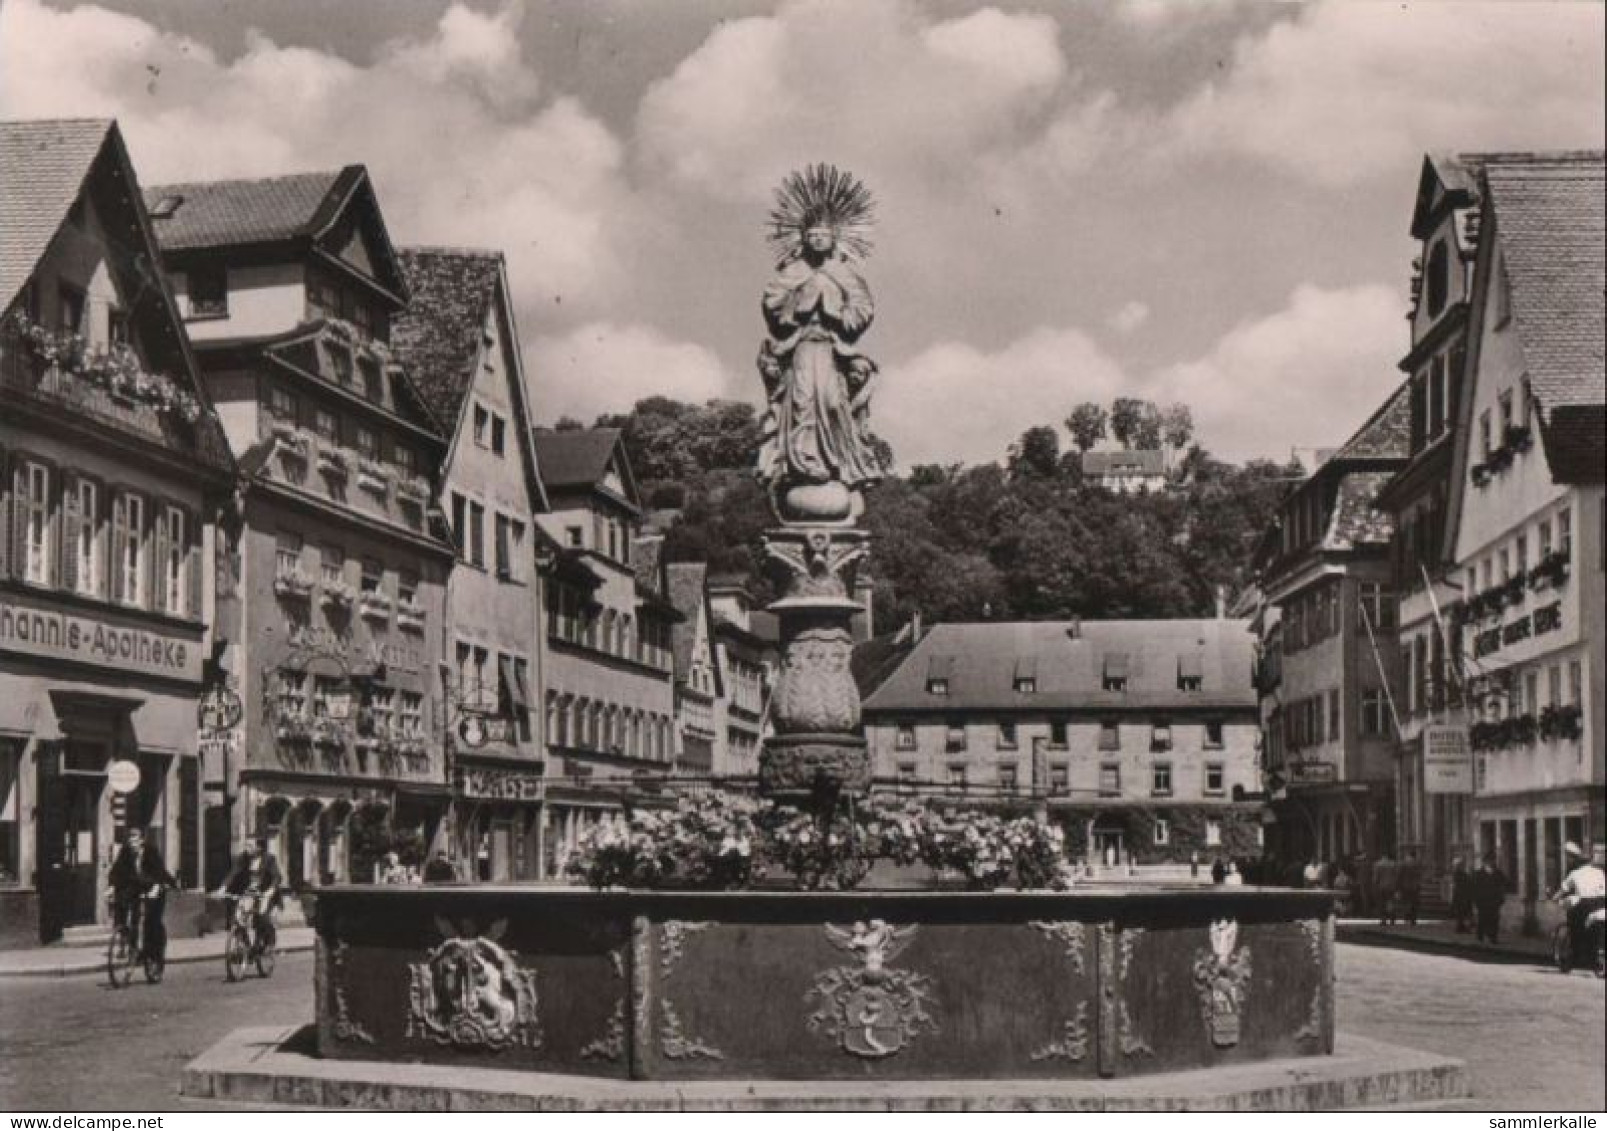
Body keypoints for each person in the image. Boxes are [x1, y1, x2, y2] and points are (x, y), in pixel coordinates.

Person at [755, 166, 886, 519]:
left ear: (835, 237)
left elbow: (863, 308)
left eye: (823, 233)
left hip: (831, 349)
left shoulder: (844, 273)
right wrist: (801, 302)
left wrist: (834, 309)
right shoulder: (792, 271)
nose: (817, 239)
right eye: (811, 233)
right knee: (801, 404)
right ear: (802, 237)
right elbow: (772, 303)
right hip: (800, 349)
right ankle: (803, 466)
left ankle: (832, 467)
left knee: (830, 403)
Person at [107, 828, 176, 964]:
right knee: (122, 902)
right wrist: (112, 887)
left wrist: (155, 889)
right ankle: (126, 937)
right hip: (137, 886)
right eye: (130, 839)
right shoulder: (126, 852)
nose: (133, 842)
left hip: (155, 886)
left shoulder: (151, 851)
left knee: (152, 921)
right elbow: (116, 870)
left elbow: (159, 871)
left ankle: (154, 954)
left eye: (136, 839)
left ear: (142, 840)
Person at [217, 836, 283, 951]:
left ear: (259, 847)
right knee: (238, 918)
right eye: (246, 845)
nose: (247, 848)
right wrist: (223, 887)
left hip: (265, 893)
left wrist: (271, 890)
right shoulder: (242, 858)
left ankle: (269, 940)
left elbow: (277, 877)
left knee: (262, 916)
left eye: (250, 845)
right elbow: (233, 873)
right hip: (248, 893)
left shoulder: (269, 859)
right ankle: (247, 945)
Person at [1556, 841, 1606, 958]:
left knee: (1574, 924)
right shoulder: (1600, 872)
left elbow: (1564, 888)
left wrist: (1556, 897)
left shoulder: (1575, 872)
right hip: (1600, 902)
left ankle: (1575, 951)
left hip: (1583, 902)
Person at [1471, 852, 1507, 944]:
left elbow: (1505, 883)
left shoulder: (1498, 873)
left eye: (1493, 861)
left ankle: (1493, 937)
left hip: (1494, 900)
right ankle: (1480, 936)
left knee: (1494, 919)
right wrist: (1476, 901)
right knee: (1482, 919)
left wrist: (1501, 898)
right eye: (1489, 861)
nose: (1491, 863)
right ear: (1485, 862)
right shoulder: (1478, 874)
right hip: (1482, 901)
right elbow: (1474, 888)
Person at [1372, 851, 1399, 926]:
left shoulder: (1377, 864)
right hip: (1391, 886)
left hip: (1381, 886)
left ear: (1381, 855)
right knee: (1390, 902)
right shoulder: (1393, 864)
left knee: (1381, 903)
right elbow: (1396, 876)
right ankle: (1392, 918)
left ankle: (1383, 920)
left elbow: (1375, 877)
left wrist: (1375, 885)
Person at [1397, 849, 1422, 926]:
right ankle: (1413, 919)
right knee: (1414, 902)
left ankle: (1406, 916)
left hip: (1405, 885)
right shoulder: (1417, 863)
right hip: (1415, 886)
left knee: (1406, 902)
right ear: (1415, 855)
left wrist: (1398, 885)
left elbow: (1400, 875)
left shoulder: (1403, 863)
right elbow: (1419, 874)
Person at [1449, 855, 1473, 933]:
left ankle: (1460, 926)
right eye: (1462, 865)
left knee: (1461, 912)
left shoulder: (1459, 873)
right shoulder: (1459, 874)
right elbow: (1464, 883)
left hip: (1461, 894)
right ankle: (1460, 927)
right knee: (1461, 911)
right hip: (1461, 895)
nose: (1463, 866)